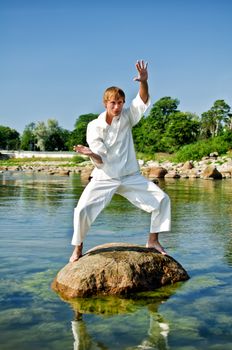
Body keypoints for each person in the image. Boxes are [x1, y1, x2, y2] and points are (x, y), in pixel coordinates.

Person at [69, 60, 171, 262]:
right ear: (105, 103)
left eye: (120, 102)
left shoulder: (127, 116)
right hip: (105, 177)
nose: (117, 106)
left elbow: (141, 100)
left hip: (129, 175)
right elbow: (101, 158)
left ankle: (152, 240)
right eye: (113, 103)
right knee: (82, 210)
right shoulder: (94, 126)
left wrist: (143, 81)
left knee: (162, 200)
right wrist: (90, 153)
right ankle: (78, 249)